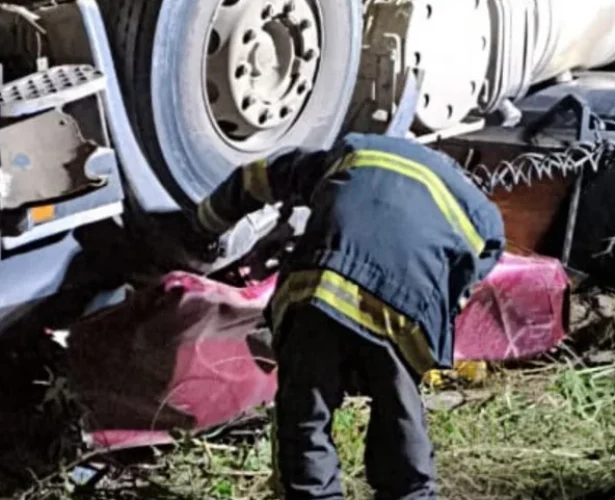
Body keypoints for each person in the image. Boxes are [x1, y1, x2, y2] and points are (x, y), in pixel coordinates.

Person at [187, 133, 505, 500]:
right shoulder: (485, 220)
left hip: (319, 287)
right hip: (400, 313)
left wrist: (206, 221)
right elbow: (453, 294)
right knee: (398, 415)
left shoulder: (361, 150)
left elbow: (262, 176)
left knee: (305, 415)